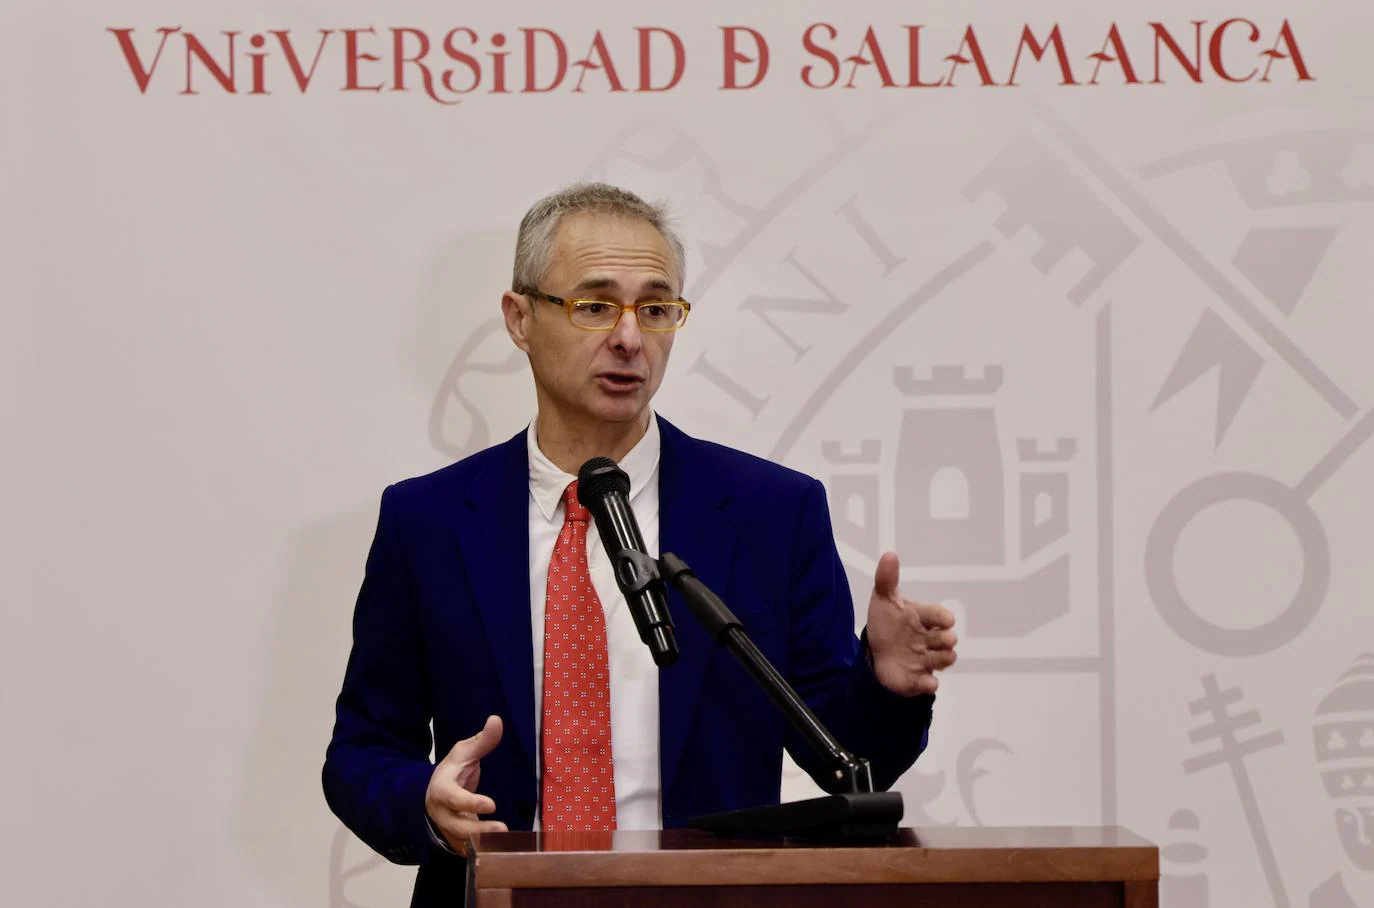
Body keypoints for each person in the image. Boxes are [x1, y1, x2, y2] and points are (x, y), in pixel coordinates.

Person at [322, 183, 959, 906]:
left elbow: (845, 758)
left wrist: (886, 684)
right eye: (595, 305)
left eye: (656, 309)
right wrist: (426, 803)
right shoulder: (429, 520)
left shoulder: (771, 513)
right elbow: (362, 751)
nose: (630, 337)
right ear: (520, 318)